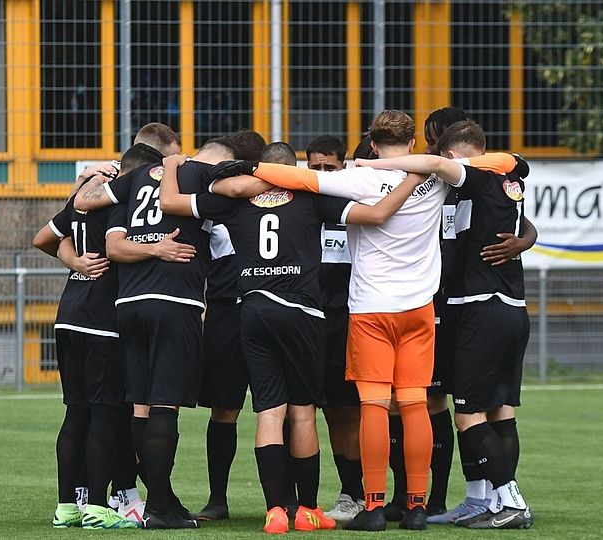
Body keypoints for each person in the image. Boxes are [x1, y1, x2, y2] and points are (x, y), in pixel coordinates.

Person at [213, 110, 518, 531]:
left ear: (372, 144)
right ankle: (416, 506)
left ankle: (373, 506)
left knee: (373, 406)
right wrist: (422, 166)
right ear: (412, 144)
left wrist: (249, 167)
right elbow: (506, 162)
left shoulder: (355, 178)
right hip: (419, 308)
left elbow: (297, 180)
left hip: (371, 307)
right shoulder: (441, 176)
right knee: (414, 406)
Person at [159, 140, 424, 534]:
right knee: (302, 412)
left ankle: (275, 512)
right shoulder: (310, 193)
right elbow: (377, 215)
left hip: (251, 308)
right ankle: (307, 509)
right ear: (293, 168)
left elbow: (171, 203)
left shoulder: (234, 200)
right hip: (301, 311)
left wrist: (170, 163)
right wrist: (414, 180)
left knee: (269, 412)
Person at [356, 119, 535, 530]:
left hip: (477, 306)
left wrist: (368, 167)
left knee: (467, 413)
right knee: (500, 409)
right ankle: (482, 501)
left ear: (454, 155)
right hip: (510, 305)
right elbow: (520, 197)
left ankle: (509, 499)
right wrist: (527, 239)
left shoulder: (472, 175)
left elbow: (440, 165)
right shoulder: (509, 177)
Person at [32, 139, 176, 529]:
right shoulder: (117, 202)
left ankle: (68, 506)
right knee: (106, 413)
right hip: (101, 320)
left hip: (68, 314)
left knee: (75, 411)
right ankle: (98, 505)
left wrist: (73, 259)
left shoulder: (83, 196)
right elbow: (117, 249)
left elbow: (42, 238)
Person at [102, 137, 236, 529]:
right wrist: (161, 249)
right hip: (174, 303)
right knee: (165, 404)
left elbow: (114, 247)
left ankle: (162, 502)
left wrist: (148, 248)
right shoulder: (200, 178)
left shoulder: (134, 182)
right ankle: (160, 507)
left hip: (129, 305)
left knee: (140, 405)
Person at [195, 129, 266, 522]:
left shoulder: (280, 200)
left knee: (278, 409)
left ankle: (284, 499)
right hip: (224, 310)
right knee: (224, 407)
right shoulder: (214, 203)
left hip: (262, 307)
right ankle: (217, 500)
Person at [302, 135, 366, 522]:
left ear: (343, 167)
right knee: (324, 413)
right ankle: (345, 492)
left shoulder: (357, 206)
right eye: (316, 168)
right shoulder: (303, 207)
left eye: (329, 167)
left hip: (350, 320)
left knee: (352, 413)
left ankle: (361, 492)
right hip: (311, 322)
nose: (323, 174)